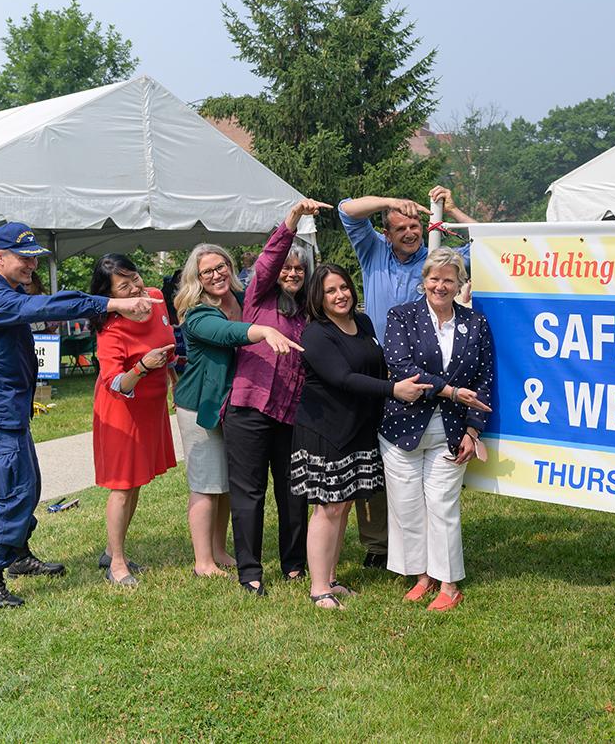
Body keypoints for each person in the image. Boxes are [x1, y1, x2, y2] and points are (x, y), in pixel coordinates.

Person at [0, 222, 157, 608]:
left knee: (28, 487)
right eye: (24, 258)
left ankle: (17, 555)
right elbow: (47, 306)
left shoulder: (6, 289)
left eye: (35, 258)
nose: (32, 265)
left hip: (8, 411)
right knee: (15, 494)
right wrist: (113, 304)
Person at [338, 186, 476, 568]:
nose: (410, 232)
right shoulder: (373, 251)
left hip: (424, 376)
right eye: (400, 227)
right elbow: (347, 210)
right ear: (387, 232)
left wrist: (452, 210)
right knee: (372, 456)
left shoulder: (435, 259)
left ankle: (427, 544)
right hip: (375, 369)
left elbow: (486, 244)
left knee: (414, 460)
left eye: (415, 225)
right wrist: (389, 202)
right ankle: (377, 544)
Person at [290, 264, 432, 609]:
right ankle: (318, 588)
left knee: (344, 505)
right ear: (318, 298)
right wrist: (393, 390)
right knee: (328, 507)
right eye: (330, 291)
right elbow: (343, 378)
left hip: (359, 428)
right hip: (326, 431)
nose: (340, 295)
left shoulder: (363, 322)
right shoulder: (315, 334)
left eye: (344, 287)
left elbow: (377, 367)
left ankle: (331, 578)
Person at [173, 244, 302, 580]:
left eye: (221, 267)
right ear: (197, 278)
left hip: (235, 402)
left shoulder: (243, 299)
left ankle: (218, 550)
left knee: (229, 483)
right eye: (207, 271)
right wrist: (264, 331)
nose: (216, 275)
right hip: (201, 404)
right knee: (205, 483)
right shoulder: (198, 313)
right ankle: (203, 561)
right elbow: (227, 334)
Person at [224, 197, 330, 595]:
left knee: (293, 491)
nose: (292, 273)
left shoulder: (308, 313)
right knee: (249, 493)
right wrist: (293, 220)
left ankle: (294, 564)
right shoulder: (258, 298)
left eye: (299, 269)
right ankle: (250, 571)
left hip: (292, 413)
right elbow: (269, 259)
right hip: (249, 408)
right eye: (287, 268)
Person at [379, 247, 493, 612]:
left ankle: (448, 584)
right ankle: (421, 576)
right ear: (423, 280)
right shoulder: (402, 316)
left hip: (452, 431)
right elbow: (400, 366)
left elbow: (485, 379)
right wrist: (451, 391)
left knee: (443, 506)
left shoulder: (476, 323)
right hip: (401, 430)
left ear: (460, 284)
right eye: (434, 278)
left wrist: (473, 431)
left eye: (448, 280)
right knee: (407, 506)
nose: (440, 286)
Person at [89, 254, 178, 588]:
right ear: (110, 296)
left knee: (137, 481)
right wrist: (142, 367)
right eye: (123, 287)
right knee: (123, 486)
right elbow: (115, 382)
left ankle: (111, 551)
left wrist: (172, 377)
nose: (135, 289)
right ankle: (117, 564)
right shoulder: (110, 328)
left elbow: (166, 345)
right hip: (122, 411)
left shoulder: (155, 297)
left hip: (151, 407)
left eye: (135, 278)